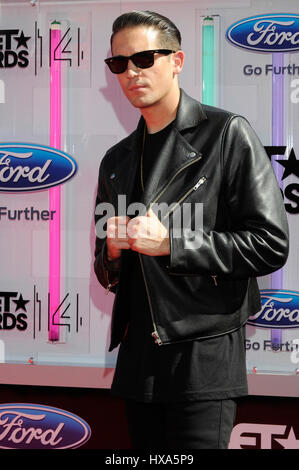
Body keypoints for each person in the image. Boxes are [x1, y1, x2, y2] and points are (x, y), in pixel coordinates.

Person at [94, 10, 289, 449]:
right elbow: (107, 273)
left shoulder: (226, 134)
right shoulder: (117, 159)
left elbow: (269, 244)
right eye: (119, 64)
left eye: (144, 58)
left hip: (203, 355)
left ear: (178, 61)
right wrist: (111, 252)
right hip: (137, 360)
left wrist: (172, 244)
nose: (131, 72)